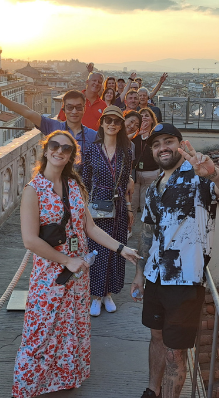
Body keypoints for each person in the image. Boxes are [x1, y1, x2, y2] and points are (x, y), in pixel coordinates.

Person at [15, 130, 140, 398]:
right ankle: (28, 386)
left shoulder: (74, 186)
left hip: (78, 270)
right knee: (42, 329)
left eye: (67, 148)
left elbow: (90, 227)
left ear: (73, 155)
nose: (60, 151)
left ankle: (62, 379)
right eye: (55, 146)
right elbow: (29, 240)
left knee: (70, 326)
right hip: (51, 273)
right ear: (46, 150)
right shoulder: (33, 190)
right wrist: (66, 260)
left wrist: (121, 248)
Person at [131, 123, 219, 398]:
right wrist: (139, 272)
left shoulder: (198, 177)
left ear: (180, 144)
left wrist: (213, 172)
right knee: (155, 337)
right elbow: (148, 233)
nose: (162, 148)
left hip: (185, 280)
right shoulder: (155, 187)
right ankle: (152, 391)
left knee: (174, 350)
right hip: (155, 276)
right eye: (156, 145)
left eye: (168, 141)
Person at [81, 106, 134, 316]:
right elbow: (84, 181)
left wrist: (129, 208)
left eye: (116, 121)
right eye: (108, 120)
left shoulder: (126, 151)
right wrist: (83, 208)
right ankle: (95, 295)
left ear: (121, 125)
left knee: (116, 250)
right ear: (102, 123)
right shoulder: (92, 150)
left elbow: (127, 182)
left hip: (119, 205)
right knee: (97, 249)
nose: (112, 124)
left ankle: (108, 294)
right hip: (97, 206)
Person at [0, 76, 97, 167]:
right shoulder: (53, 127)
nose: (74, 111)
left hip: (80, 191)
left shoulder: (93, 136)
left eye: (78, 107)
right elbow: (27, 112)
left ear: (84, 109)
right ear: (64, 109)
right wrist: (0, 98)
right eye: (70, 107)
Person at [131, 108, 160, 213]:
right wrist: (136, 133)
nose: (144, 118)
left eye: (147, 115)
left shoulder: (156, 136)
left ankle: (146, 229)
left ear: (152, 119)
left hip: (150, 174)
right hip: (134, 175)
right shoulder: (133, 135)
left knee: (146, 205)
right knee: (132, 205)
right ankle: (130, 229)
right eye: (141, 116)